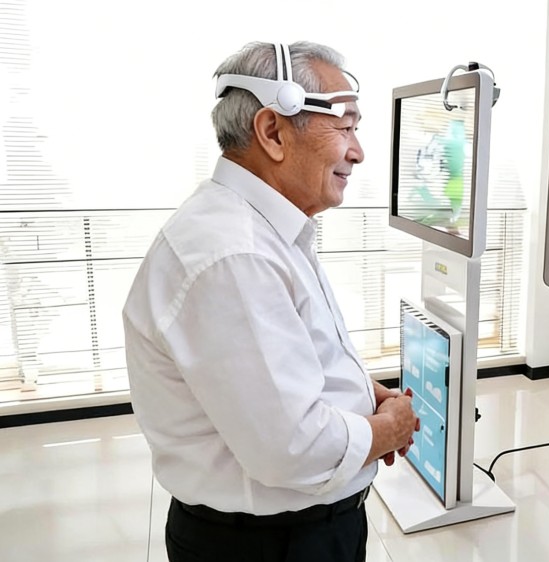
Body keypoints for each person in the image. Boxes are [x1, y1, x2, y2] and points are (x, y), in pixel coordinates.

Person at [122, 41, 418, 562]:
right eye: (345, 127)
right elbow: (293, 448)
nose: (357, 151)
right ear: (273, 132)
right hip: (270, 545)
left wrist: (362, 395)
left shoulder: (259, 230)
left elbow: (285, 364)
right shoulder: (235, 255)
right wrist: (386, 430)